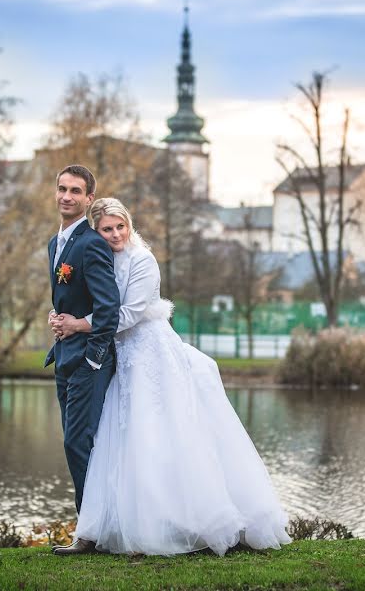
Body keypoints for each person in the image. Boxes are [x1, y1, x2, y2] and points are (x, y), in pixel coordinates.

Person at [50, 197, 291, 556]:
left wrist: (77, 325)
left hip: (148, 351)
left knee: (159, 434)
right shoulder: (100, 258)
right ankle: (115, 526)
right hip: (119, 356)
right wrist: (61, 316)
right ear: (96, 232)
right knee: (118, 440)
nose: (116, 234)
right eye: (107, 229)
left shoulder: (142, 260)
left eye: (121, 226)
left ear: (129, 225)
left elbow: (128, 314)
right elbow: (90, 299)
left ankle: (186, 521)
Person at [43, 165, 120, 556]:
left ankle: (90, 535)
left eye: (75, 191)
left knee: (79, 444)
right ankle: (92, 529)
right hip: (63, 359)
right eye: (61, 188)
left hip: (89, 364)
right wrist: (58, 320)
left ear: (89, 198)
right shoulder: (55, 244)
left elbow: (110, 310)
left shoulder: (92, 244)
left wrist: (93, 360)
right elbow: (68, 301)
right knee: (74, 445)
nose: (66, 196)